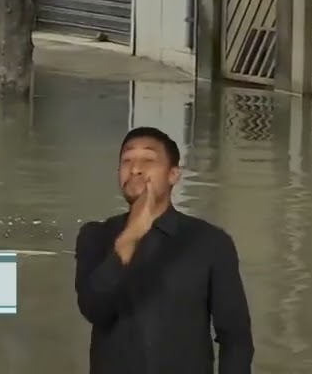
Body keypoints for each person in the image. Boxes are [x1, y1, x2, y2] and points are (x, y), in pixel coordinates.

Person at [74, 126, 253, 374]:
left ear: (173, 174)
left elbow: (235, 338)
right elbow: (93, 308)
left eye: (148, 160)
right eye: (127, 161)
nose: (135, 168)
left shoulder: (210, 242)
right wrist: (131, 235)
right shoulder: (95, 236)